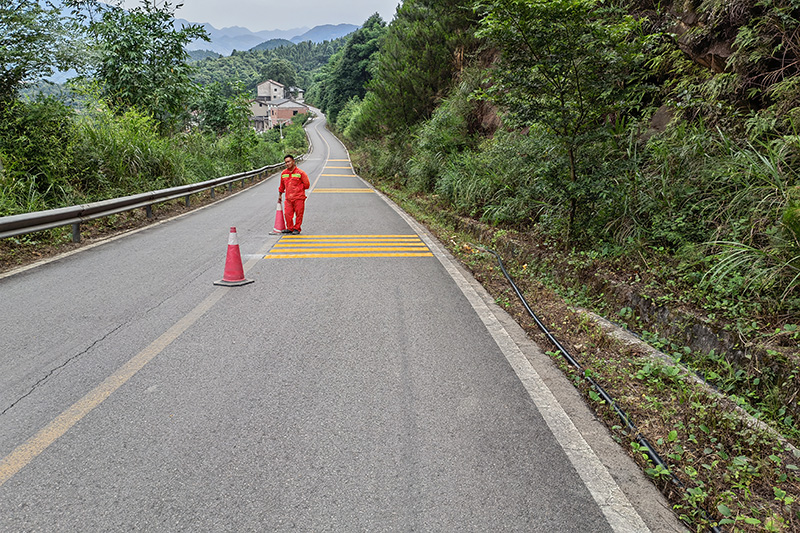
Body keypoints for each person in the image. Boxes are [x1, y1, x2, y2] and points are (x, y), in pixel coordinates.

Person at [278, 154, 310, 234]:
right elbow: (282, 186)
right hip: (288, 198)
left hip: (299, 198)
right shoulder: (284, 173)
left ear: (293, 161)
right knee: (287, 214)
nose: (287, 164)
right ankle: (290, 228)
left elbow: (307, 185)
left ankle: (297, 228)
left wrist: (298, 189)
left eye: (289, 161)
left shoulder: (301, 173)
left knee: (299, 214)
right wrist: (280, 195)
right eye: (286, 162)